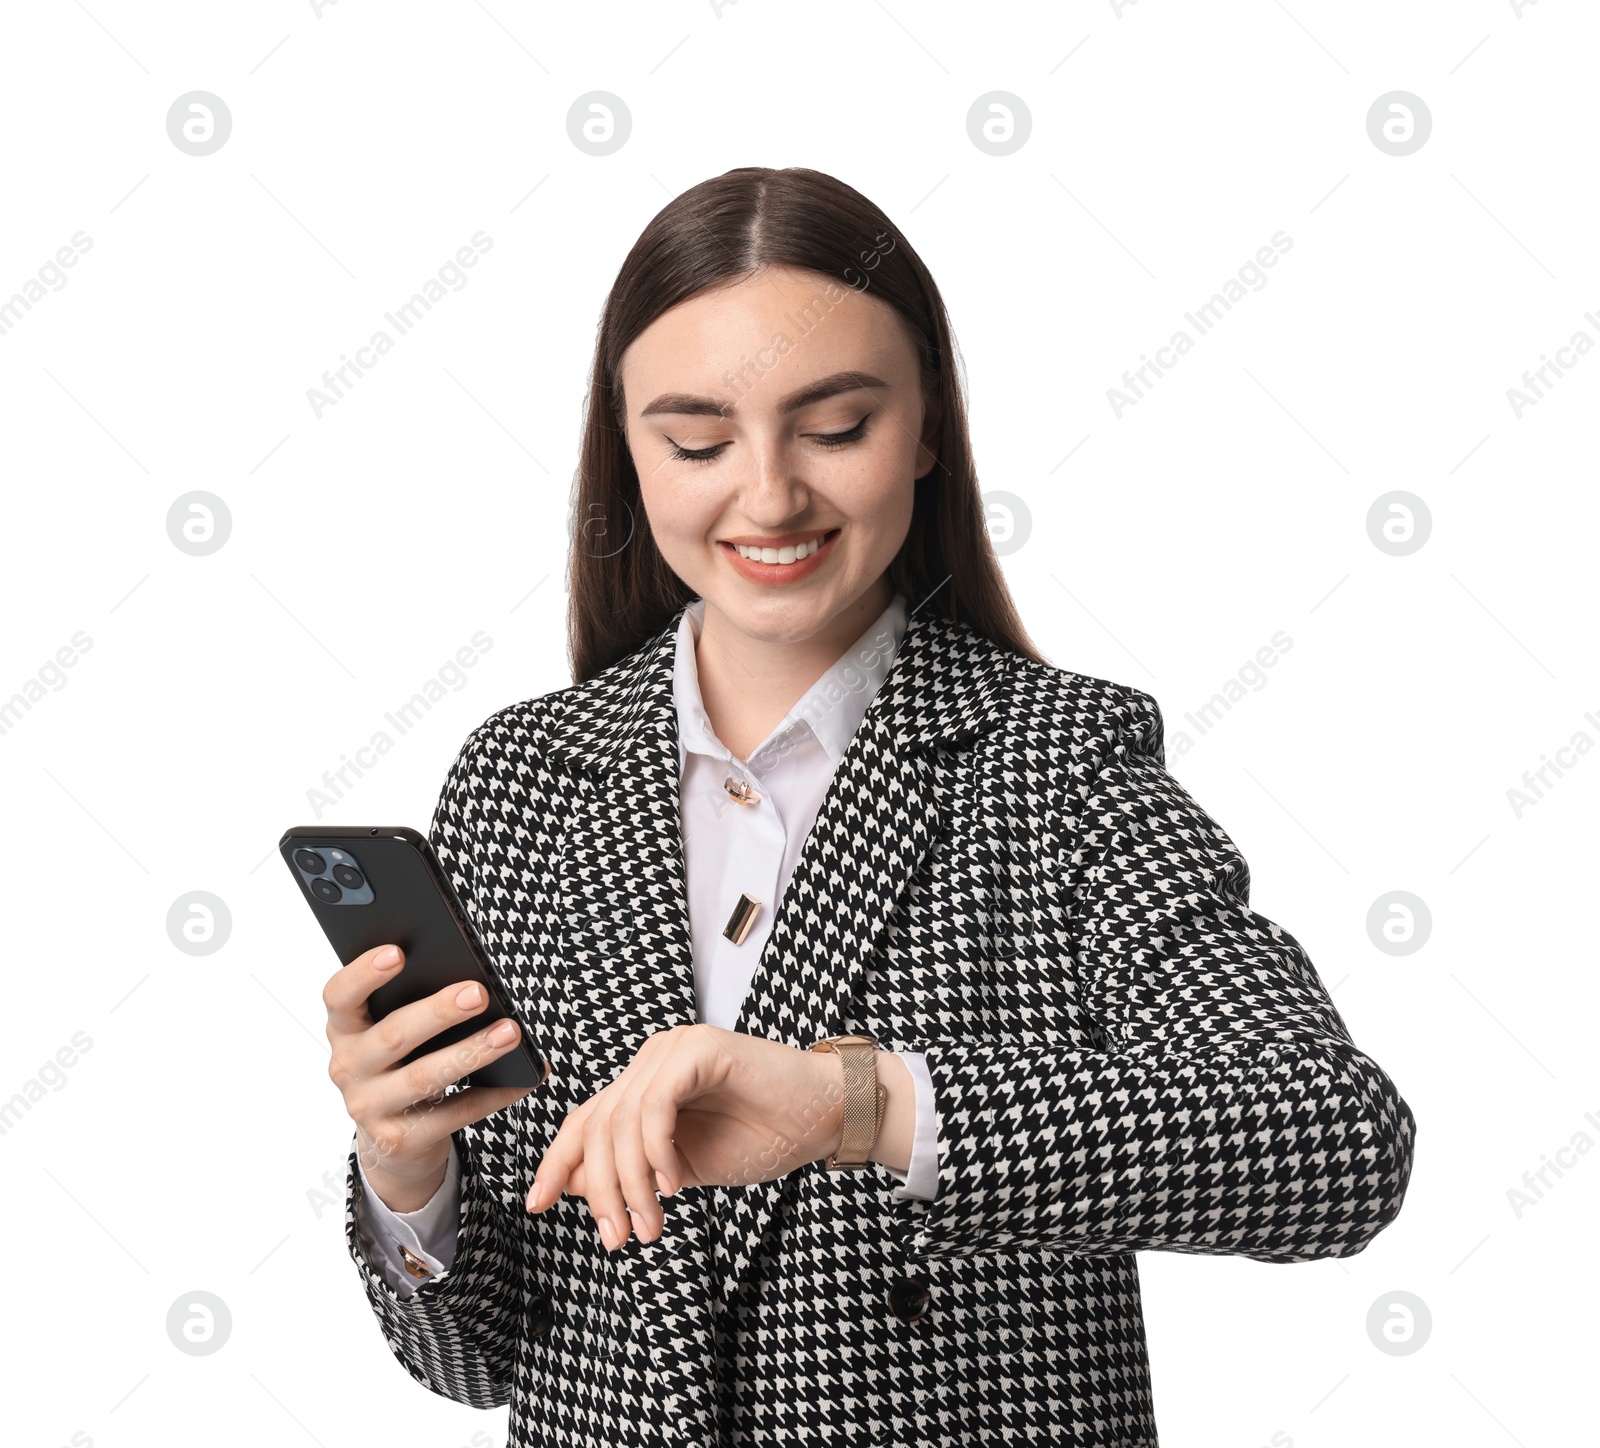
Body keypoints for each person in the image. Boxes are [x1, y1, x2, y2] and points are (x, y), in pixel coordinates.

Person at [320, 166, 1416, 1448]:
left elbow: (1335, 1143)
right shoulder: (522, 778)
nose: (770, 495)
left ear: (929, 428)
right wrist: (408, 1170)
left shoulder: (1054, 762)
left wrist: (858, 1103)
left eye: (835, 427)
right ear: (627, 452)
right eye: (696, 440)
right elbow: (479, 1362)